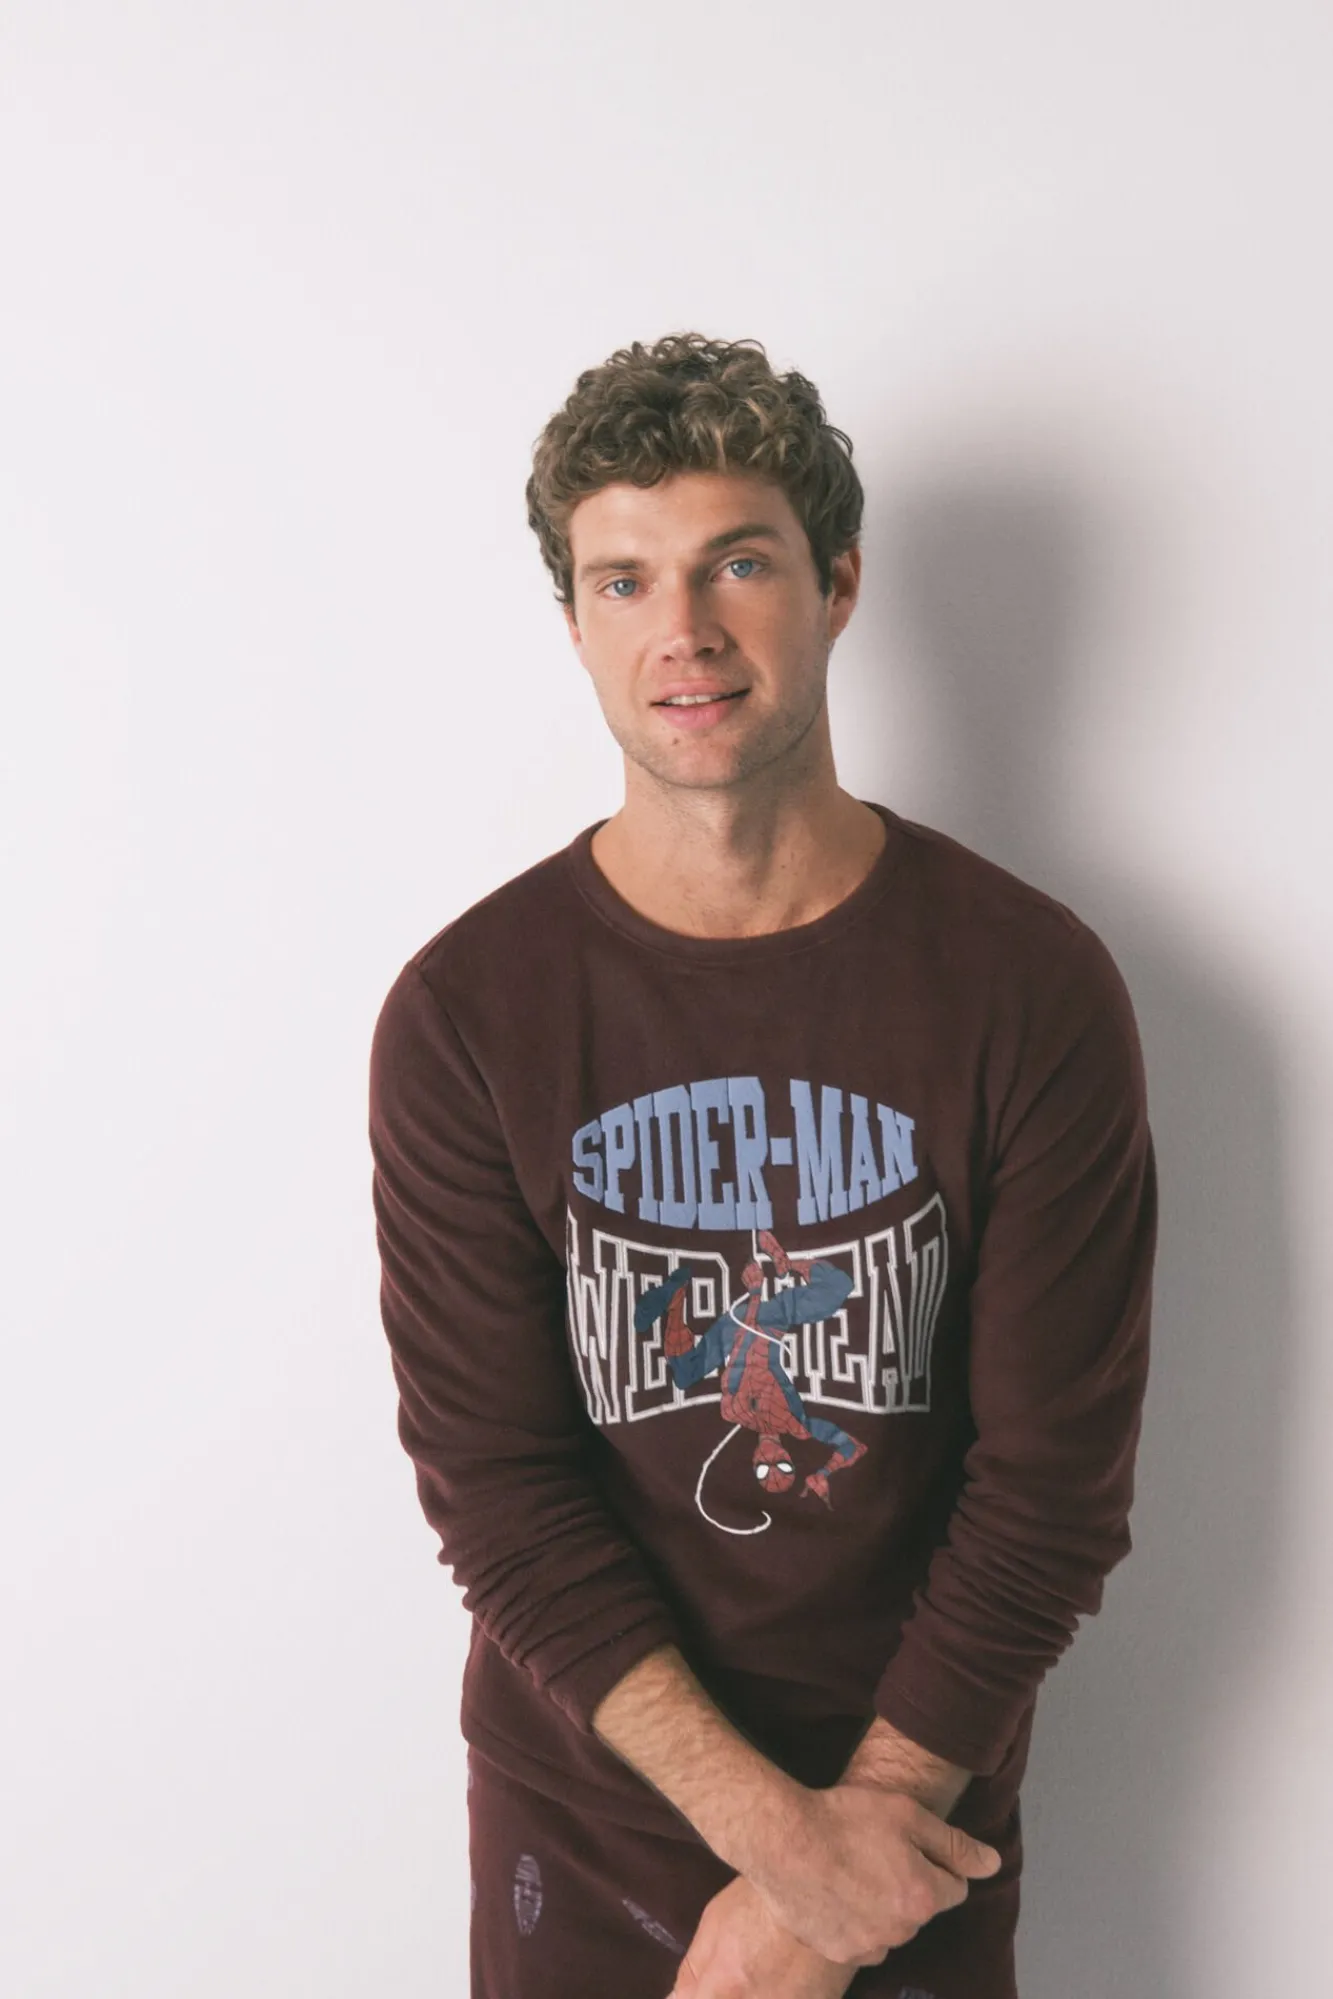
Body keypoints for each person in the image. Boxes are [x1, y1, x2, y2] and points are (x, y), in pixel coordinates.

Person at [367, 332, 1157, 1998]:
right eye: (624, 579)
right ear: (575, 623)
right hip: (592, 1816)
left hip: (912, 1821)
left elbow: (1052, 1485)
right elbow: (497, 1487)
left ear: (838, 582)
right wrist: (783, 1848)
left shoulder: (1030, 986)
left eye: (738, 562)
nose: (685, 630)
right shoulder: (468, 1014)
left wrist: (839, 1864)